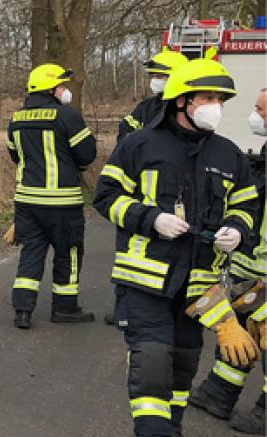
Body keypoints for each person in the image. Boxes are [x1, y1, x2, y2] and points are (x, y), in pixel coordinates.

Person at [94, 56, 260, 437]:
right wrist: (150, 219)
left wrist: (237, 230)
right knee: (151, 358)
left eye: (220, 99)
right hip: (145, 278)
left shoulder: (229, 154)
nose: (216, 106)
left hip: (199, 284)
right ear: (182, 101)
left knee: (185, 363)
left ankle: (173, 433)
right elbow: (106, 196)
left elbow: (247, 206)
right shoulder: (139, 145)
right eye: (207, 98)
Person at [189, 87, 267, 435]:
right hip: (250, 266)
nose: (256, 115)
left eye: (262, 110)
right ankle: (218, 393)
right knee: (241, 329)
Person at [103, 48, 191, 326]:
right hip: (138, 195)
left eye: (161, 75)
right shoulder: (146, 108)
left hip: (172, 198)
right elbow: (125, 135)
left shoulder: (188, 111)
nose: (155, 80)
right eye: (154, 75)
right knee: (129, 253)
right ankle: (125, 311)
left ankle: (176, 310)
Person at [6, 63, 97, 329]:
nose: (65, 90)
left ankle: (23, 310)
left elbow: (15, 155)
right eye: (61, 85)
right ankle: (65, 308)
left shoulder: (16, 118)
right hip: (62, 202)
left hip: (26, 200)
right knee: (68, 252)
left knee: (32, 251)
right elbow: (87, 155)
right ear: (50, 89)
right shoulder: (67, 115)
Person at [116, 48, 190, 144]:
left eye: (159, 76)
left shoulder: (188, 107)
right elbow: (125, 130)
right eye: (154, 76)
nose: (154, 80)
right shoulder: (146, 106)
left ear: (177, 77)